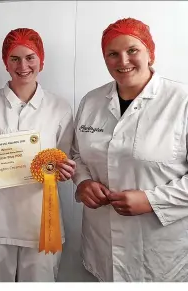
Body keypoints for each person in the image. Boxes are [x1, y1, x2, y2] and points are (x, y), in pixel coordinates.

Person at [71, 17, 188, 282]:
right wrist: (83, 182)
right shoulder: (91, 101)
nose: (123, 61)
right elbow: (77, 155)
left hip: (160, 252)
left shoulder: (182, 101)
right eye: (113, 54)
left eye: (132, 50)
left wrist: (152, 200)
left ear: (150, 53)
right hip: (102, 244)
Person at [0, 28, 76, 282]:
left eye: (30, 57)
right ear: (5, 63)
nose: (23, 65)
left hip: (42, 224)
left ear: (41, 61)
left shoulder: (60, 108)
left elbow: (64, 159)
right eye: (15, 58)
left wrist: (65, 170)